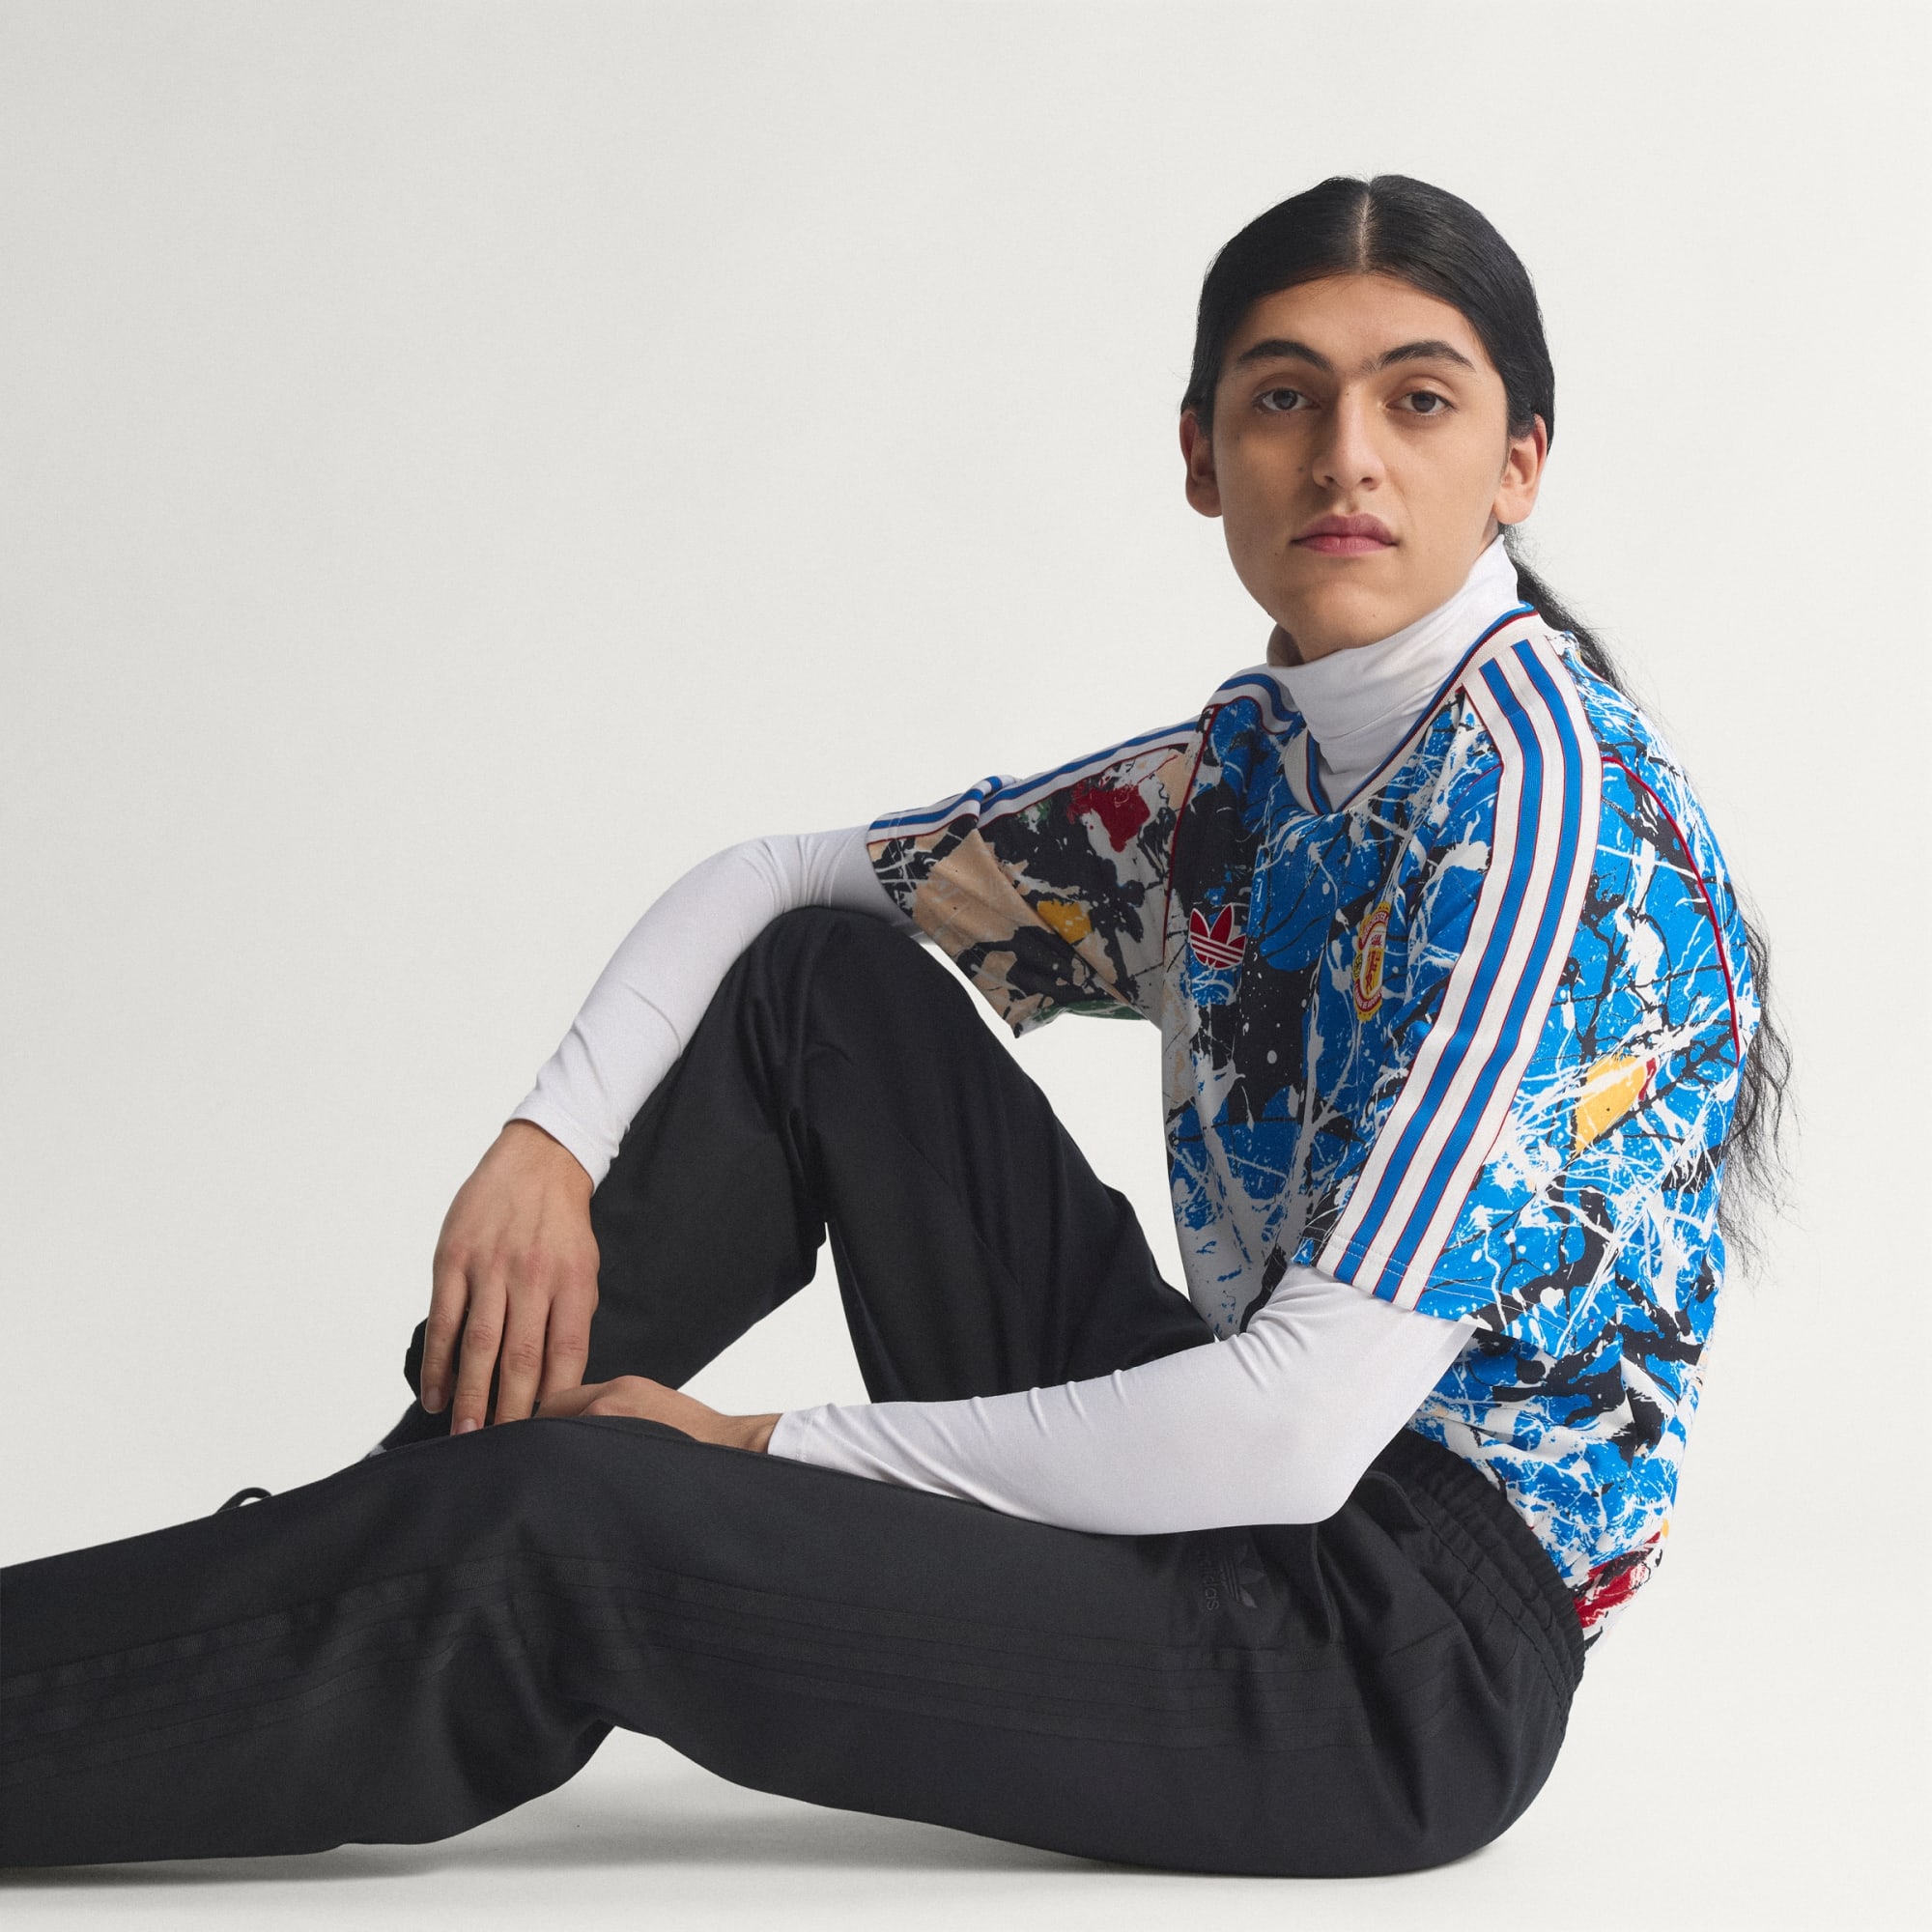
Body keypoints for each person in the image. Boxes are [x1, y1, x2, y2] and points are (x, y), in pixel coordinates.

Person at [0, 174, 1784, 1877]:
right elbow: (785, 876)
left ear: (1519, 461)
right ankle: (351, 1557)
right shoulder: (1252, 771)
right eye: (1284, 398)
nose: (1347, 456)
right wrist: (548, 1139)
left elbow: (1295, 1430)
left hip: (1384, 1657)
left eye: (1419, 400)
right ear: (1200, 455)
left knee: (575, 1534)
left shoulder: (1541, 814)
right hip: (1247, 1492)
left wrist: (749, 1451)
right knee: (824, 998)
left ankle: (352, 1589)